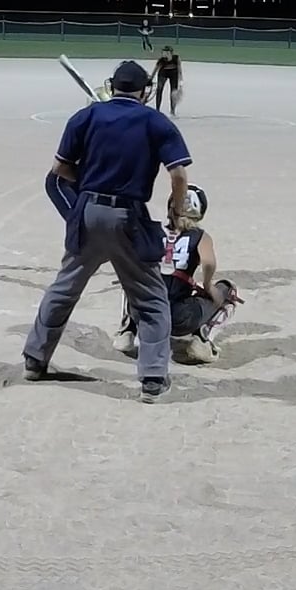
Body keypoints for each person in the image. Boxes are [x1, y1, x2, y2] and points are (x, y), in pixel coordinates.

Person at [24, 60, 193, 402]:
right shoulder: (155, 121)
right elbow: (178, 174)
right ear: (145, 91)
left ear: (112, 86)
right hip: (128, 217)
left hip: (87, 213)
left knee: (64, 289)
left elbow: (59, 169)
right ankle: (152, 379)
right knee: (150, 299)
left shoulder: (85, 116)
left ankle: (35, 359)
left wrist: (91, 182)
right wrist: (176, 210)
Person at [114, 185, 243, 366]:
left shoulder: (154, 231)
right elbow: (209, 262)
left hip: (145, 312)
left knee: (133, 279)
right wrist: (207, 286)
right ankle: (202, 339)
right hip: (179, 317)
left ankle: (128, 329)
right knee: (227, 289)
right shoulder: (201, 236)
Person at [152, 45, 184, 116]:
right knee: (159, 90)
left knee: (173, 92)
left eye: (167, 52)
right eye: (164, 52)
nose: (165, 54)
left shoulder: (176, 58)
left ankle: (172, 110)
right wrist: (151, 79)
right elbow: (155, 69)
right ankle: (157, 109)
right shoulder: (161, 60)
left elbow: (179, 68)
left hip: (174, 74)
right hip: (163, 73)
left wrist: (181, 79)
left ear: (171, 53)